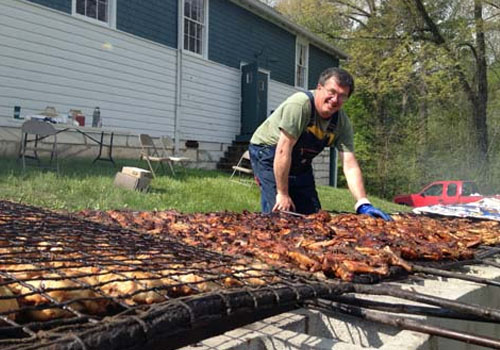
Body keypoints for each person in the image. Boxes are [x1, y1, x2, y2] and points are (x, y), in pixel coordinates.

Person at [248, 67, 391, 220]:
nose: (335, 100)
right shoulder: (300, 105)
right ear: (319, 88)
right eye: (332, 92)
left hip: (300, 161)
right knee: (281, 215)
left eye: (342, 96)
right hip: (269, 152)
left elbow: (350, 165)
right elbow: (283, 150)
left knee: (315, 218)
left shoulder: (341, 123)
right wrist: (282, 193)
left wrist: (363, 203)